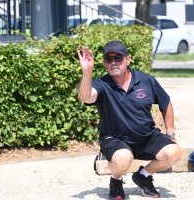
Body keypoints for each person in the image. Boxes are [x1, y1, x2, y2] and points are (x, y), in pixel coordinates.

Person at [77, 40, 181, 199]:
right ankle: (116, 180)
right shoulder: (101, 84)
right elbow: (85, 96)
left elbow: (165, 103)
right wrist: (87, 72)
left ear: (128, 59)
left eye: (118, 58)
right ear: (104, 62)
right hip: (115, 139)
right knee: (123, 159)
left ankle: (143, 175)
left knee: (173, 153)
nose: (113, 62)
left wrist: (170, 133)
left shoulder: (146, 80)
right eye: (108, 59)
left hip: (146, 137)